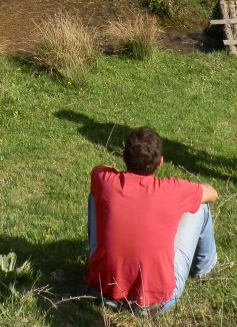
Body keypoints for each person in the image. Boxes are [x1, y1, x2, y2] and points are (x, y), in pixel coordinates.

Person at [87, 127, 218, 313]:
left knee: (95, 195)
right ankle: (205, 269)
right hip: (156, 303)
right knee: (201, 206)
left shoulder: (105, 180)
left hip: (101, 290)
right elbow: (212, 193)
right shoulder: (173, 189)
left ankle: (104, 265)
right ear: (160, 163)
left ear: (124, 157)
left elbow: (99, 169)